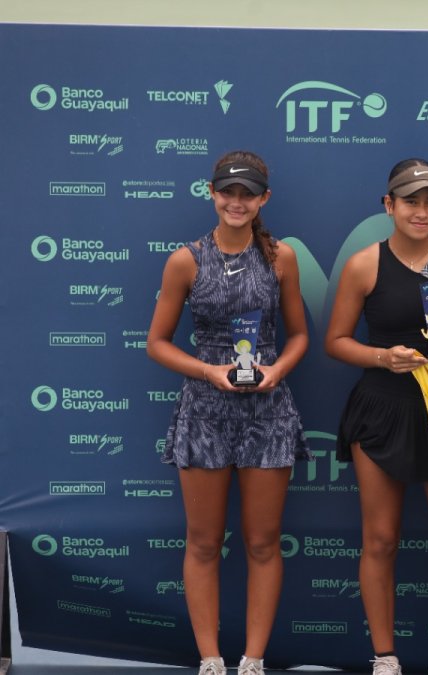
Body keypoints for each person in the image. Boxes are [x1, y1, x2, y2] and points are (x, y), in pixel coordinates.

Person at [147, 150, 310, 675]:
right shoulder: (186, 260)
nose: (236, 202)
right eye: (228, 192)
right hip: (205, 410)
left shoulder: (282, 258)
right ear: (212, 193)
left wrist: (278, 370)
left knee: (262, 542)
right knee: (202, 542)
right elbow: (157, 343)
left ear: (264, 199)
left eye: (248, 193)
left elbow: (299, 335)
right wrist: (207, 371)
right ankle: (212, 660)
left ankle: (254, 661)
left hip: (268, 410)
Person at [325, 159, 428, 675]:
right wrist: (382, 357)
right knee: (380, 539)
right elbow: (336, 341)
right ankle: (385, 657)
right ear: (388, 205)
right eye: (410, 201)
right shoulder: (364, 265)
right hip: (381, 410)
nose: (421, 212)